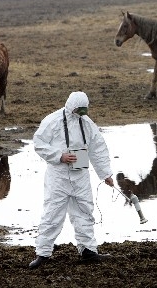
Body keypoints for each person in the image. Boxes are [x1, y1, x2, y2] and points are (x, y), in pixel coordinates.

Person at [29, 91, 114, 269]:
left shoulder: (87, 123)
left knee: (84, 211)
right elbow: (39, 143)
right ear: (71, 107)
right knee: (52, 213)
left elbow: (97, 147)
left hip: (80, 173)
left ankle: (88, 251)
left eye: (85, 111)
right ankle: (43, 253)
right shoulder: (53, 121)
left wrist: (105, 174)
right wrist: (59, 156)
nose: (82, 114)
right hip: (58, 175)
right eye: (79, 110)